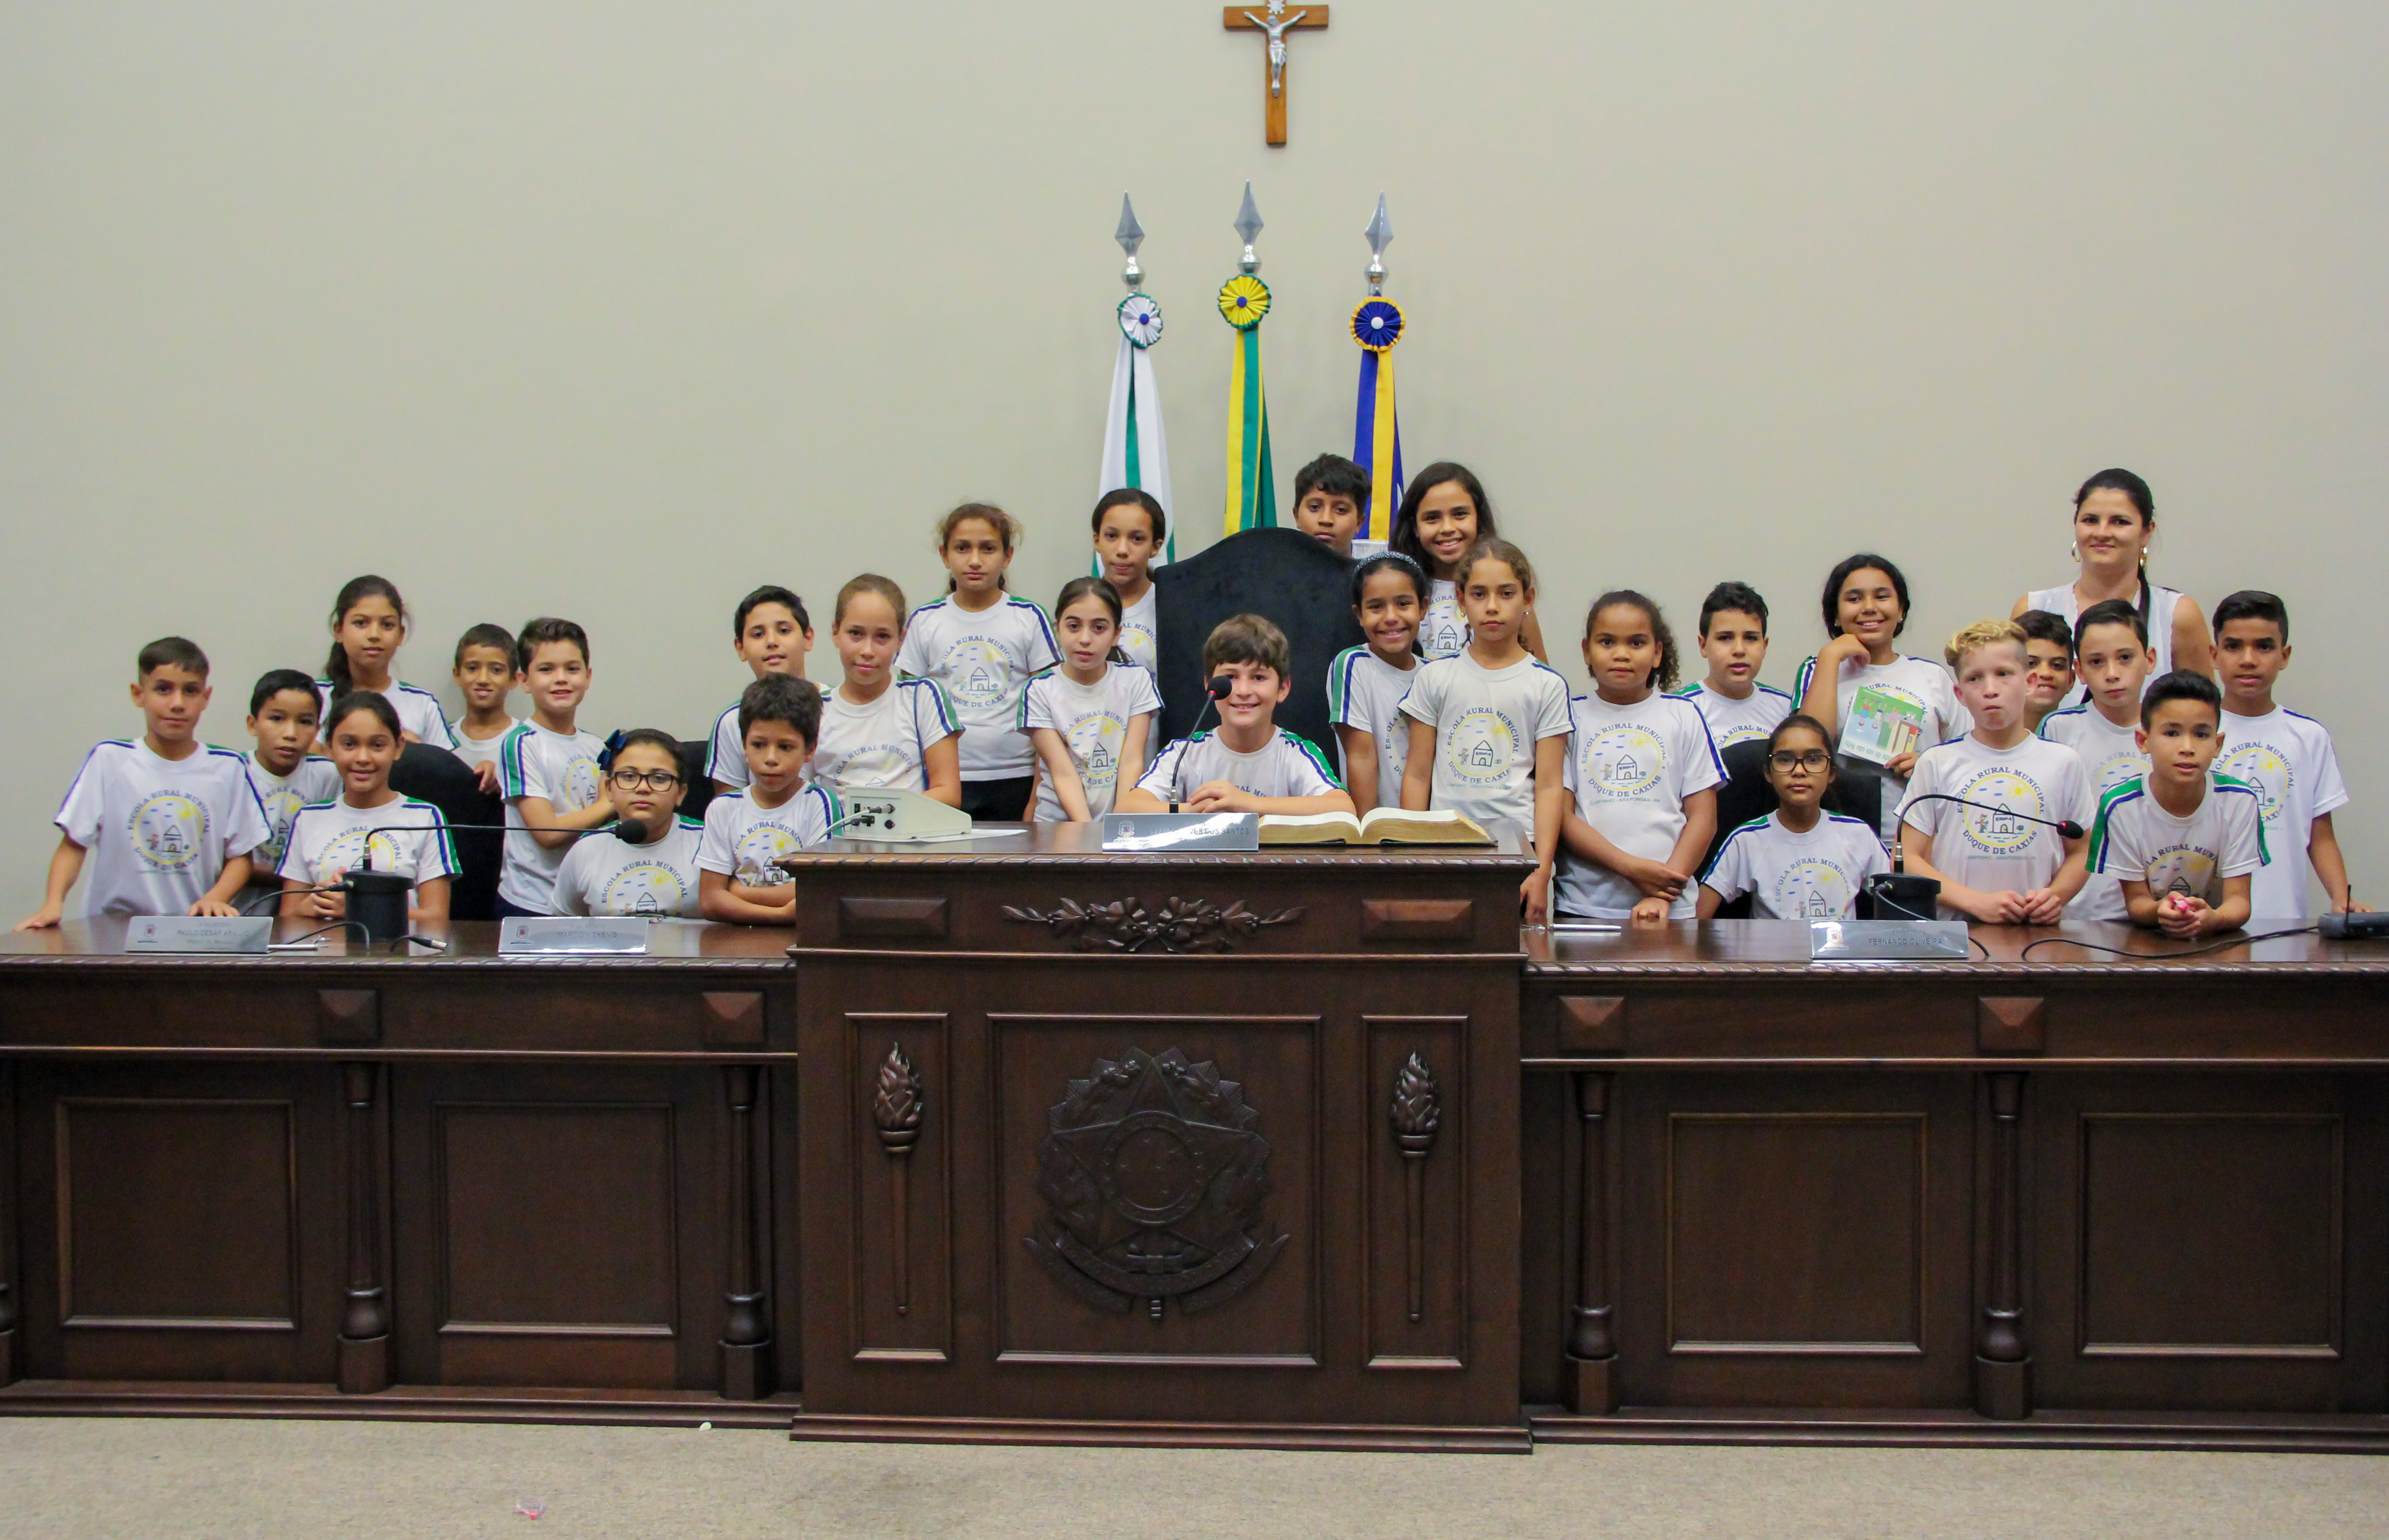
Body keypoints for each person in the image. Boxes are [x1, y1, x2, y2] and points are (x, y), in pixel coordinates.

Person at [18, 637, 269, 928]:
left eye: (190, 691)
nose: (177, 704)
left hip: (192, 929)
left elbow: (241, 856)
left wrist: (216, 897)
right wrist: (53, 903)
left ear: (206, 698)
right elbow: (74, 844)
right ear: (139, 694)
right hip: (111, 929)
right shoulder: (109, 759)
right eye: (163, 689)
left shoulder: (228, 768)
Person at [1397, 540, 1571, 921]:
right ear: (1461, 599)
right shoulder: (1435, 678)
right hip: (1446, 852)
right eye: (1479, 594)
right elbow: (1417, 774)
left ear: (1528, 597)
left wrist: (1541, 870)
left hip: (1520, 858)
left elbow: (1548, 785)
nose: (1492, 606)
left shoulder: (1547, 685)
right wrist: (1412, 853)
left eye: (1506, 593)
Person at [1896, 620, 2093, 923]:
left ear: (2029, 682)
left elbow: (2082, 852)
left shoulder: (2064, 761)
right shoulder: (1936, 762)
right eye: (1975, 679)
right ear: (1960, 694)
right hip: (1957, 932)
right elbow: (1909, 859)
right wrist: (1976, 903)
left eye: (2003, 674)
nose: (1990, 690)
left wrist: (2056, 896)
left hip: (2037, 932)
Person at [1553, 591, 1724, 922]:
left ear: (1657, 653)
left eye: (1636, 643)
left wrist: (1662, 892)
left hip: (1670, 908)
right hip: (1584, 906)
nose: (1621, 654)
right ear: (1586, 651)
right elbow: (1562, 817)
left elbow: (1703, 819)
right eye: (1606, 642)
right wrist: (1629, 867)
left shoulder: (1684, 715)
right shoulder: (1567, 718)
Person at [896, 503, 1058, 821]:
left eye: (987, 549)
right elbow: (907, 711)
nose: (974, 560)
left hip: (1017, 777)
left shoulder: (1028, 618)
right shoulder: (925, 622)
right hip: (947, 782)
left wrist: (1038, 797)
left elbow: (1049, 712)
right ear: (945, 555)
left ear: (1007, 556)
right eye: (962, 548)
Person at [1795, 553, 1968, 842]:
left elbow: (1968, 758)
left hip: (1925, 839)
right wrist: (1832, 655)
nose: (1869, 608)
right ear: (1835, 614)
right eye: (1854, 599)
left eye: (1882, 596)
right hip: (1842, 837)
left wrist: (1928, 764)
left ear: (1901, 609)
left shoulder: (1932, 676)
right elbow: (1810, 747)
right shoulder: (1820, 669)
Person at [2085, 671, 2267, 938]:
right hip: (2140, 939)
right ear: (2143, 741)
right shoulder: (2120, 805)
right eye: (2171, 733)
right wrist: (2162, 911)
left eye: (2201, 735)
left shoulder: (2240, 800)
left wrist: (2215, 918)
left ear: (2218, 745)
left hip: (2214, 940)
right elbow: (2137, 903)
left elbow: (2239, 902)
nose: (2187, 747)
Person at [1118, 615, 1354, 817]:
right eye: (1230, 677)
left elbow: (1343, 808)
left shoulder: (1296, 753)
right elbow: (1126, 809)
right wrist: (1198, 811)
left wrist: (1248, 804)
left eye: (1259, 678)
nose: (1242, 691)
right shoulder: (1184, 753)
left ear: (1283, 688)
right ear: (1209, 684)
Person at [2210, 591, 2353, 919]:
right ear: (2213, 654)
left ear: (2284, 655)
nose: (2248, 659)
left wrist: (2342, 900)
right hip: (2206, 920)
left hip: (2283, 918)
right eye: (2233, 646)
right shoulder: (2192, 733)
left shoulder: (2309, 737)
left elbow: (2320, 838)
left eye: (2263, 646)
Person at [2012, 468, 2211, 687]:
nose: (2102, 532)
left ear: (2147, 532)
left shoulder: (2177, 616)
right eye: (2091, 520)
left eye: (2120, 522)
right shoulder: (2033, 608)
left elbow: (2202, 710)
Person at [276, 690, 456, 926]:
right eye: (349, 745)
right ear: (330, 747)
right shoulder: (308, 819)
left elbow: (436, 917)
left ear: (398, 747)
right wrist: (308, 907)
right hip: (324, 957)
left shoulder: (426, 818)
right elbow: (287, 918)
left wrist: (356, 909)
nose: (362, 757)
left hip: (399, 955)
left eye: (377, 745)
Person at [1697, 714, 1888, 920]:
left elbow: (1897, 907)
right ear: (1768, 773)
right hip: (1772, 952)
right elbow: (1698, 919)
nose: (1799, 771)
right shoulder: (1746, 840)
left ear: (1832, 773)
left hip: (1839, 951)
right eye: (1785, 760)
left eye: (1813, 760)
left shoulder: (1859, 835)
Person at [2036, 599, 2154, 922]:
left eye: (2125, 658)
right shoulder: (2060, 728)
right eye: (2097, 662)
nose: (2112, 674)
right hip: (2077, 910)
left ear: (2150, 659)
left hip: (2156, 909)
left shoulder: (2171, 730)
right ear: (2080, 671)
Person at [698, 675, 845, 926]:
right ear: (744, 745)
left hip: (801, 942)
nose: (771, 758)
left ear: (809, 750)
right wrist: (780, 915)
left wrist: (738, 891)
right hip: (735, 944)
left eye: (786, 747)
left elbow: (819, 893)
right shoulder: (723, 808)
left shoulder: (820, 803)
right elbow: (710, 900)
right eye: (758, 745)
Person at [495, 618, 610, 918]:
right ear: (523, 681)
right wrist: (610, 804)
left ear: (588, 676)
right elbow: (546, 833)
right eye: (546, 670)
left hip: (584, 899)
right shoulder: (521, 744)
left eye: (572, 669)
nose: (561, 679)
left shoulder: (597, 747)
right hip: (532, 904)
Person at [1022, 577, 1161, 821]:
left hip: (1118, 822)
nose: (1085, 639)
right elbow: (1062, 772)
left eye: (1099, 628)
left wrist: (1120, 823)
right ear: (1058, 628)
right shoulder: (1039, 690)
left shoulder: (1136, 681)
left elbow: (1132, 760)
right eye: (1074, 626)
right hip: (1058, 825)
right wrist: (1087, 833)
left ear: (1117, 633)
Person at [815, 575, 963, 802]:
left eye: (882, 636)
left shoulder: (922, 697)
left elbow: (949, 793)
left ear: (901, 640)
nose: (867, 650)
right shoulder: (815, 710)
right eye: (856, 633)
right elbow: (798, 799)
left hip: (912, 835)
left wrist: (884, 822)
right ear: (835, 632)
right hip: (839, 837)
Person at [1386, 462, 1548, 661]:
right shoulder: (1399, 589)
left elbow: (1540, 673)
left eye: (1460, 514)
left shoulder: (1507, 594)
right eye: (1432, 518)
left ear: (1478, 518)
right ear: (1415, 527)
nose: (1447, 528)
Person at [552, 730, 704, 918]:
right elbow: (565, 923)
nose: (643, 788)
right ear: (609, 789)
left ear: (681, 793)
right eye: (629, 777)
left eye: (659, 779)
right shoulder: (585, 850)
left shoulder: (707, 842)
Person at [1328, 552, 1427, 812]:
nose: (1391, 617)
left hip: (1427, 828)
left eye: (1403, 604)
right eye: (1376, 607)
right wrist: (1366, 837)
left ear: (1423, 608)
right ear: (1359, 614)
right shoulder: (1352, 665)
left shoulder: (1434, 673)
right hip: (1376, 829)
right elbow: (1361, 757)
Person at [314, 576, 456, 750]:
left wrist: (418, 752)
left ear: (401, 634)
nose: (374, 635)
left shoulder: (423, 704)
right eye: (361, 623)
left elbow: (449, 770)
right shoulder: (314, 698)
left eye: (387, 625)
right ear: (339, 630)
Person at [704, 586, 815, 794]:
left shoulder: (837, 707)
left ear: (808, 638)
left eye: (784, 631)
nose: (772, 642)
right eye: (758, 634)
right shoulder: (732, 721)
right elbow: (728, 809)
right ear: (740, 647)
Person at [242, 668, 341, 897]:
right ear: (252, 725)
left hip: (305, 908)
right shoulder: (235, 773)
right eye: (277, 719)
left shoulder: (328, 774)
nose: (290, 733)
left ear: (317, 730)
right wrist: (291, 879)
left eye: (305, 722)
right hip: (239, 910)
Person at [1673, 581, 1792, 750]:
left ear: (1764, 646)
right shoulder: (1679, 711)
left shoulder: (1786, 709)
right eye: (1725, 638)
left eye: (1751, 638)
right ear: (1703, 645)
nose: (1739, 650)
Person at [1091, 488, 1167, 676]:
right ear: (1097, 541)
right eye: (1112, 536)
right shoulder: (1080, 604)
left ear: (1156, 547)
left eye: (1137, 539)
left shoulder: (1170, 606)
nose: (1123, 550)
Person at [449, 623, 519, 794]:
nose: (483, 679)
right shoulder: (441, 738)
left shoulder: (527, 741)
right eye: (472, 668)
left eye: (496, 670)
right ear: (457, 675)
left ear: (514, 679)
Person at [1290, 452, 1367, 559]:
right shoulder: (1274, 574)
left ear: (1359, 522)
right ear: (1297, 516)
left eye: (1341, 510)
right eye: (1315, 507)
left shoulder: (1367, 576)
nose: (1326, 520)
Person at [2016, 610, 2076, 732]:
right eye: (2031, 664)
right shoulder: (1976, 743)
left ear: (2071, 680)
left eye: (2057, 665)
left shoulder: (2078, 743)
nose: (2045, 673)